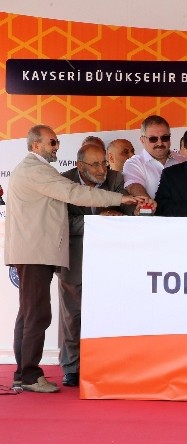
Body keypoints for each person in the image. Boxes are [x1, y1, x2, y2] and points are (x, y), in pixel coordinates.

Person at [4, 125, 142, 393]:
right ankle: (30, 375)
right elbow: (75, 193)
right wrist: (122, 198)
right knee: (37, 314)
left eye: (56, 142)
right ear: (35, 145)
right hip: (35, 252)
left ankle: (23, 374)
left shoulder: (37, 169)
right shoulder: (36, 169)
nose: (57, 146)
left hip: (36, 251)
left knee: (29, 313)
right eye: (52, 142)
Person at [57, 143, 138, 387]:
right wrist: (97, 221)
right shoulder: (64, 181)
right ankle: (72, 367)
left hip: (111, 258)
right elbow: (61, 222)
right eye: (95, 165)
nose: (102, 169)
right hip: (74, 254)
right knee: (73, 313)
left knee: (111, 310)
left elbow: (129, 211)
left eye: (104, 163)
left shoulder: (116, 179)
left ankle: (109, 363)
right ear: (80, 166)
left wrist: (132, 211)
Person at [123, 115, 186, 198]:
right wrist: (148, 202)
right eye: (153, 139)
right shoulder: (134, 163)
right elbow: (134, 186)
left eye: (164, 138)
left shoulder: (183, 160)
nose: (160, 143)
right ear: (142, 140)